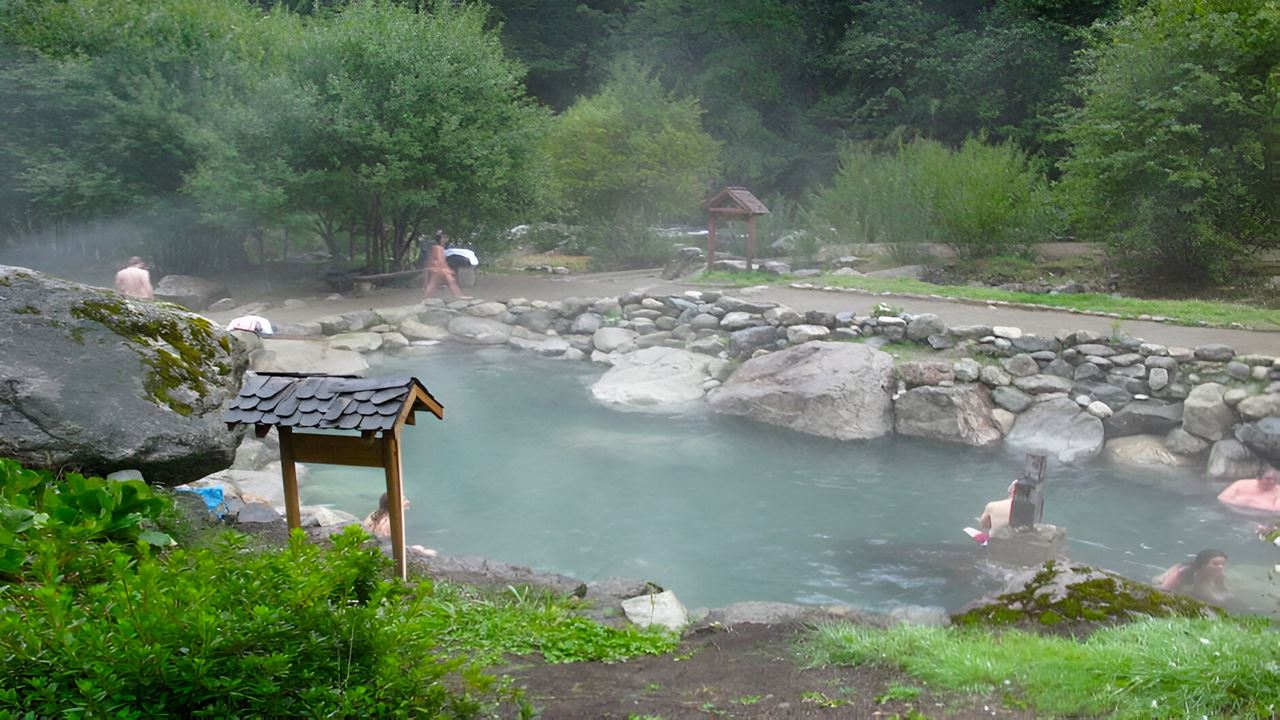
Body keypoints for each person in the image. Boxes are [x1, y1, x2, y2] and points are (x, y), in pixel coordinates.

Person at [361, 493, 436, 556]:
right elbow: (387, 543)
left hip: (371, 545)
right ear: (395, 504)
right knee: (430, 552)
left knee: (419, 548)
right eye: (404, 500)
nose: (408, 501)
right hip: (381, 549)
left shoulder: (374, 514)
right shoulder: (390, 521)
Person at [1154, 549, 1229, 604]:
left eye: (1223, 564)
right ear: (1203, 565)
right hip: (1172, 575)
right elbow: (1162, 590)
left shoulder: (1219, 575)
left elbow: (1222, 589)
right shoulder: (1183, 574)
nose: (1220, 567)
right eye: (1215, 564)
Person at [422, 230, 472, 300]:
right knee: (450, 281)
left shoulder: (437, 247)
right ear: (440, 239)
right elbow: (440, 260)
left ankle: (426, 297)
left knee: (433, 283)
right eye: (444, 237)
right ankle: (459, 295)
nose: (446, 239)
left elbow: (435, 259)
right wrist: (446, 269)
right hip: (439, 268)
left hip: (437, 268)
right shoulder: (439, 248)